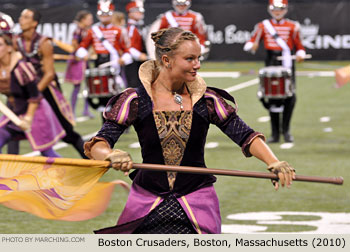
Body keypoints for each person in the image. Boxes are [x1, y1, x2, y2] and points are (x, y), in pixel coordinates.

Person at [84, 27, 295, 234]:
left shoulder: (208, 100)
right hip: (147, 200)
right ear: (166, 60)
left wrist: (272, 161)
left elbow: (245, 135)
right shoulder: (135, 100)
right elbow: (99, 143)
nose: (198, 65)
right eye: (190, 59)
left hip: (196, 201)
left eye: (198, 58)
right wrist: (110, 153)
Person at [12, 8, 88, 158]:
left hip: (45, 89)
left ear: (34, 23)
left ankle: (90, 160)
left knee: (67, 132)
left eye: (26, 17)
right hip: (23, 91)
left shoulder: (43, 42)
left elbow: (49, 73)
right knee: (12, 127)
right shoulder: (16, 41)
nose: (21, 19)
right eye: (21, 16)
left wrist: (34, 93)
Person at [243, 0, 306, 143]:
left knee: (290, 96)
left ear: (285, 10)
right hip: (271, 62)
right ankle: (275, 133)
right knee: (272, 97)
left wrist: (301, 53)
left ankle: (286, 131)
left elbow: (300, 46)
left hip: (288, 62)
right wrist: (251, 46)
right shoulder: (263, 26)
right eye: (275, 9)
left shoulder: (293, 26)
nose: (278, 12)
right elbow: (249, 43)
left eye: (281, 9)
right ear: (270, 9)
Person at [0, 33, 65, 157]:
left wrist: (28, 118)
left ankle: (69, 175)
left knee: (46, 152)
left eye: (0, 45)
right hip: (15, 112)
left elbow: (35, 95)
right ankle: (6, 176)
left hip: (36, 112)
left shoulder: (21, 67)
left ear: (9, 48)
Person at [75, 0, 132, 121]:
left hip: (114, 66)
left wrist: (123, 59)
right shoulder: (92, 31)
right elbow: (82, 47)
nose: (104, 17)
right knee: (101, 95)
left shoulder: (119, 31)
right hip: (99, 65)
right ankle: (105, 122)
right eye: (102, 14)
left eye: (107, 14)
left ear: (111, 14)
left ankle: (121, 118)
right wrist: (84, 54)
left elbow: (127, 50)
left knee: (117, 93)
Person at [64, 10, 94, 119]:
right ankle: (72, 111)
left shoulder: (87, 31)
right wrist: (79, 53)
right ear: (83, 20)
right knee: (77, 86)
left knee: (88, 85)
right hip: (77, 61)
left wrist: (89, 53)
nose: (91, 21)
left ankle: (86, 110)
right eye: (89, 19)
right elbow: (74, 44)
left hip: (84, 60)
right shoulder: (78, 31)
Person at [124, 0, 148, 88]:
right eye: (137, 10)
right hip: (133, 62)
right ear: (130, 13)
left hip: (141, 62)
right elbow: (128, 46)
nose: (140, 12)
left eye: (141, 10)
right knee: (134, 87)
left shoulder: (141, 26)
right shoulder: (130, 28)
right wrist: (139, 55)